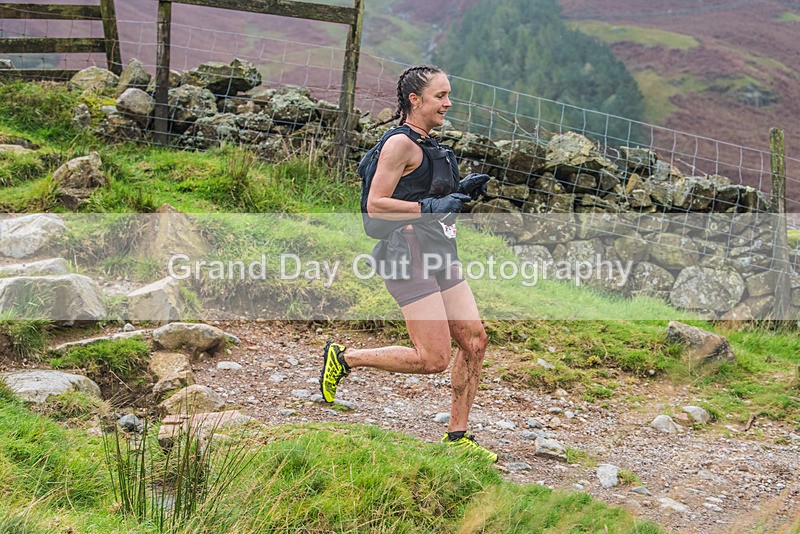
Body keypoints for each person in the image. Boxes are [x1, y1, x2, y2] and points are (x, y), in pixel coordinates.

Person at [319, 64, 496, 462]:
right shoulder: (399, 143)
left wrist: (458, 191)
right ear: (415, 100)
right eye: (440, 96)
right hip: (406, 253)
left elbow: (422, 191)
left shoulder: (428, 143)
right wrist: (433, 204)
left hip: (439, 249)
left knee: (474, 340)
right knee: (432, 358)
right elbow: (375, 204)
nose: (448, 103)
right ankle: (345, 358)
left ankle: (457, 439)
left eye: (448, 95)